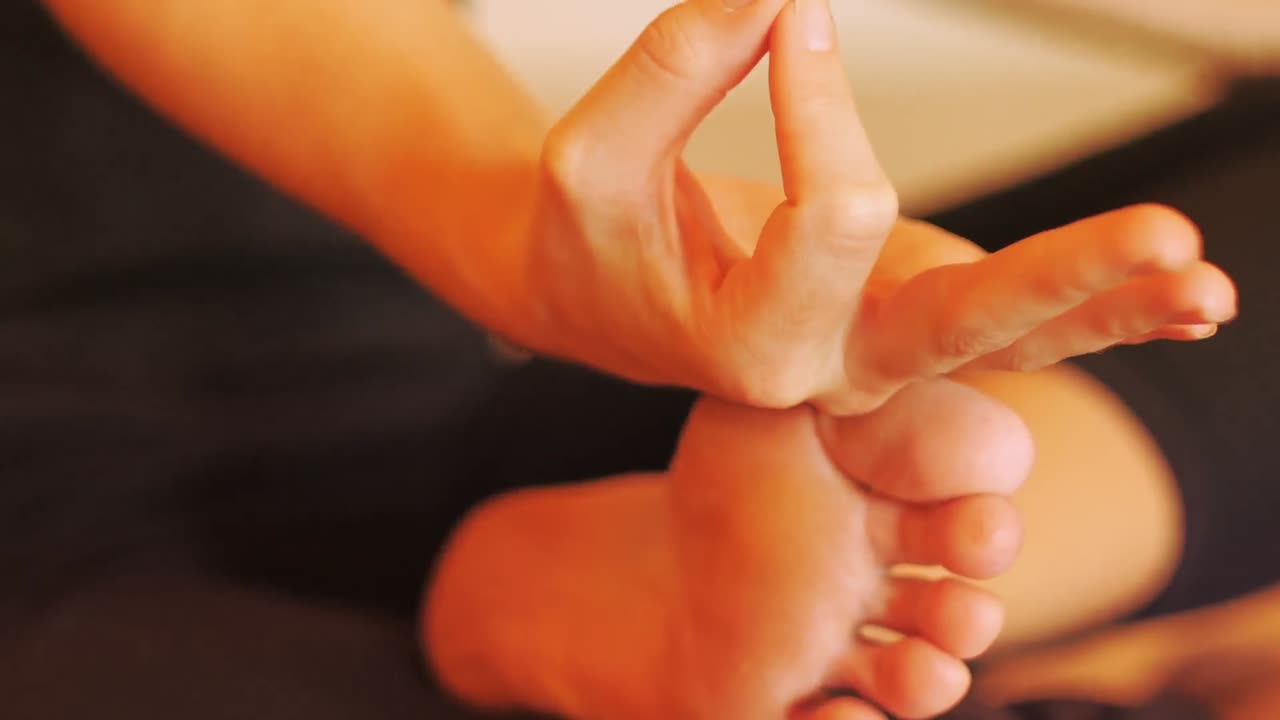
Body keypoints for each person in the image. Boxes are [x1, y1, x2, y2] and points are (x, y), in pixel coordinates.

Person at [0, 1, 1247, 719]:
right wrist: (499, 220)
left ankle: (822, 594)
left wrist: (511, 230)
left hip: (407, 384)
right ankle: (827, 625)